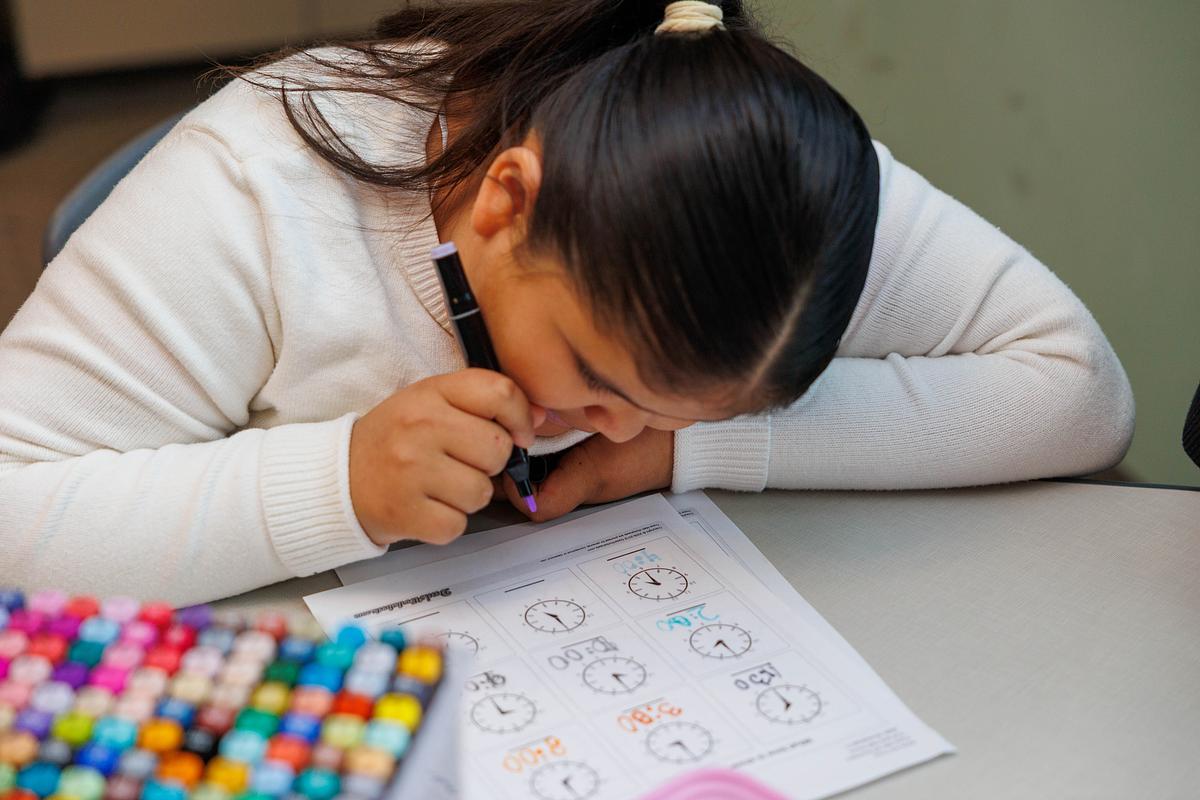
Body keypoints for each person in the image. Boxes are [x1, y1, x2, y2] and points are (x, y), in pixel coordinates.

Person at [0, 1, 1133, 603]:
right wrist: (339, 481)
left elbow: (1075, 390)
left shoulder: (783, 196)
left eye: (681, 406)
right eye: (597, 380)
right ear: (505, 200)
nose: (621, 428)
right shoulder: (254, 186)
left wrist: (689, 454)